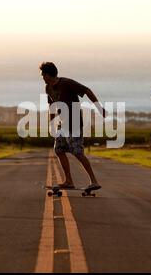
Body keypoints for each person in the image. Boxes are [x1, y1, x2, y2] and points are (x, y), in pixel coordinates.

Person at [40, 61, 105, 190]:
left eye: (43, 75)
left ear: (48, 74)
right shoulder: (48, 88)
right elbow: (51, 107)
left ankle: (94, 181)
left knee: (78, 153)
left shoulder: (67, 83)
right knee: (59, 150)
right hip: (62, 124)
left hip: (74, 123)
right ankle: (69, 181)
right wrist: (51, 123)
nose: (42, 78)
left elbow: (87, 90)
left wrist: (99, 107)